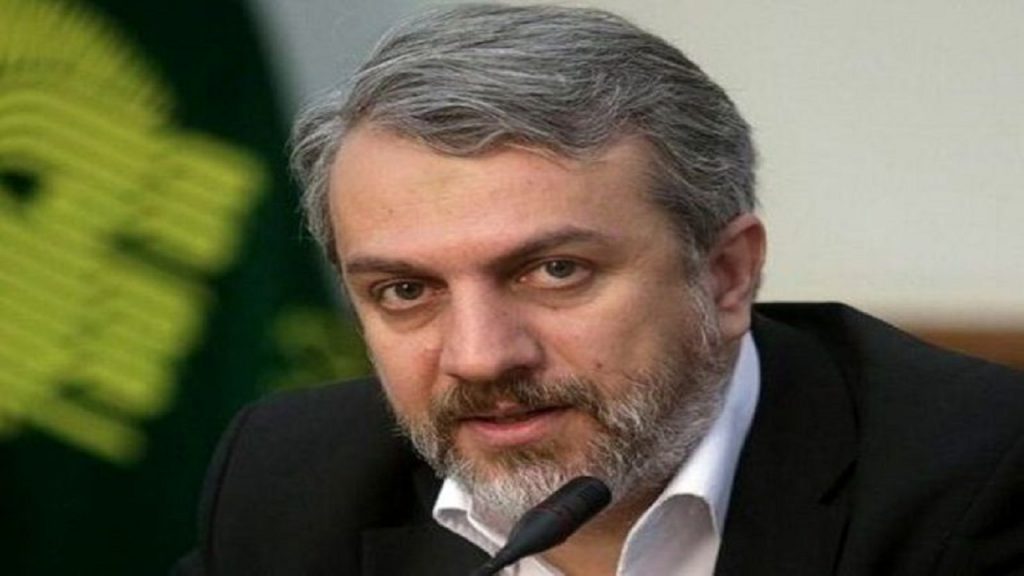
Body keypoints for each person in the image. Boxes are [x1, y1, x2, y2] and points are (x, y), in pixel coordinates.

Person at [175, 4, 1024, 575]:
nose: (480, 357)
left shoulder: (976, 478)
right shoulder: (295, 481)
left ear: (726, 274)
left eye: (555, 271)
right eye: (404, 290)